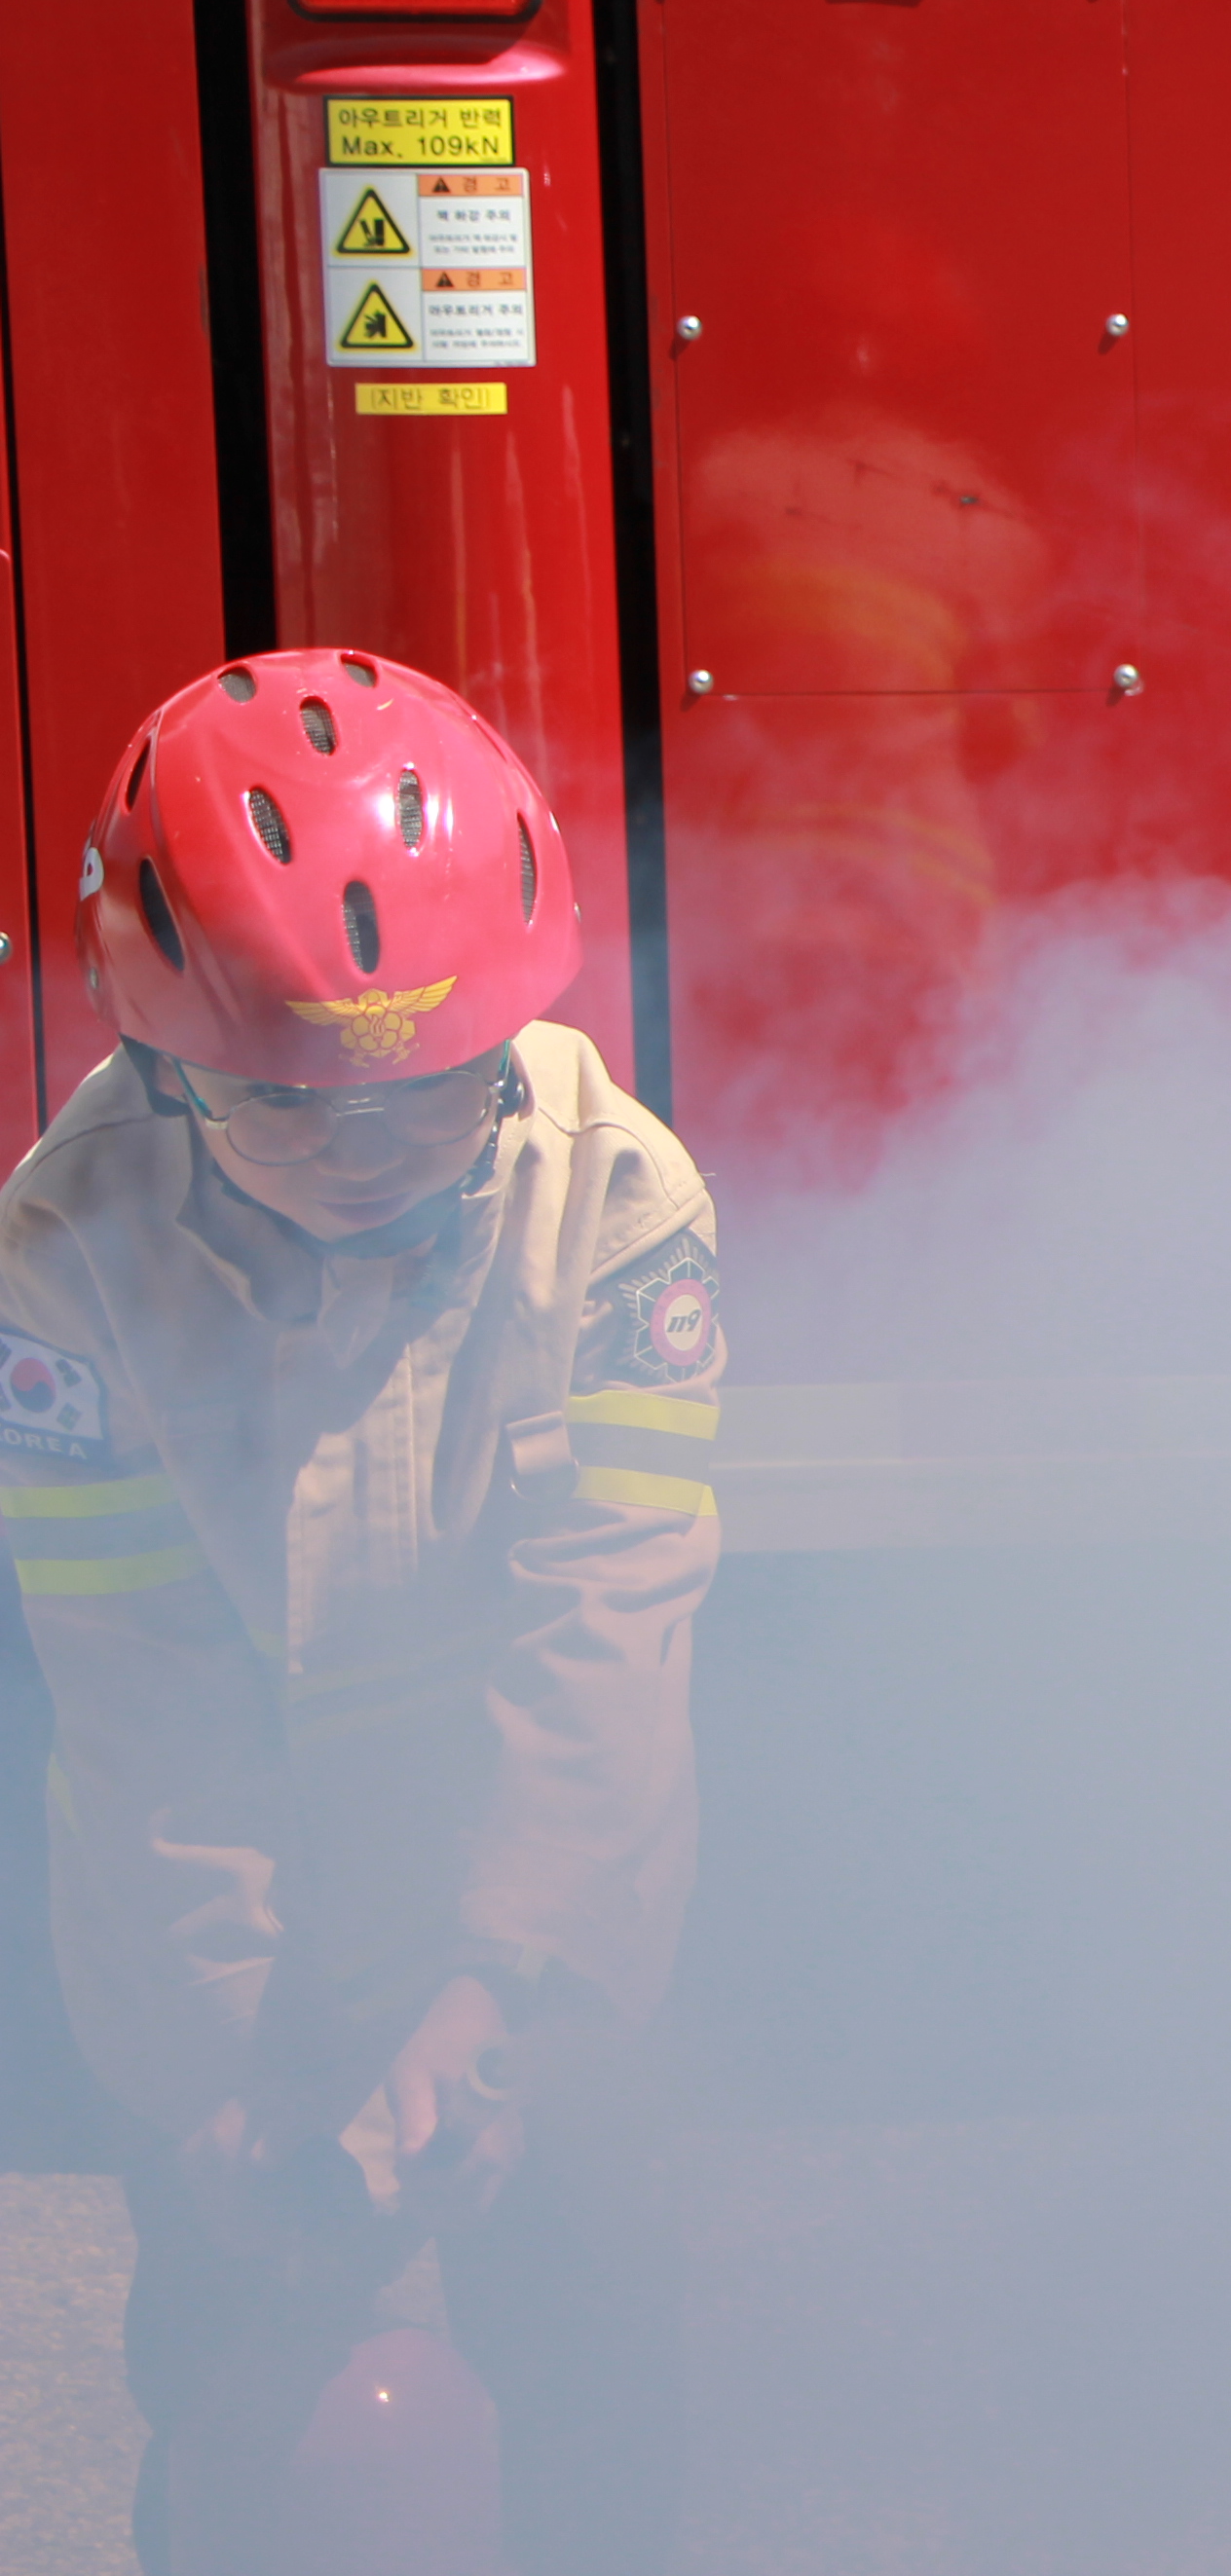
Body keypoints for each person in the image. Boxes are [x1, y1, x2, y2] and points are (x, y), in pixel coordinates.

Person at [0, 651, 723, 2575]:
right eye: (284, 1111)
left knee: (590, 2369)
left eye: (430, 1100)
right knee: (242, 2401)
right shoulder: (66, 1251)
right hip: (230, 1920)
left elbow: (608, 1621)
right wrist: (226, 2068)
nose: (363, 1160)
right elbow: (137, 1691)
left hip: (541, 1896)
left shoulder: (620, 1199)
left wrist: (505, 1994)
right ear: (165, 1060)